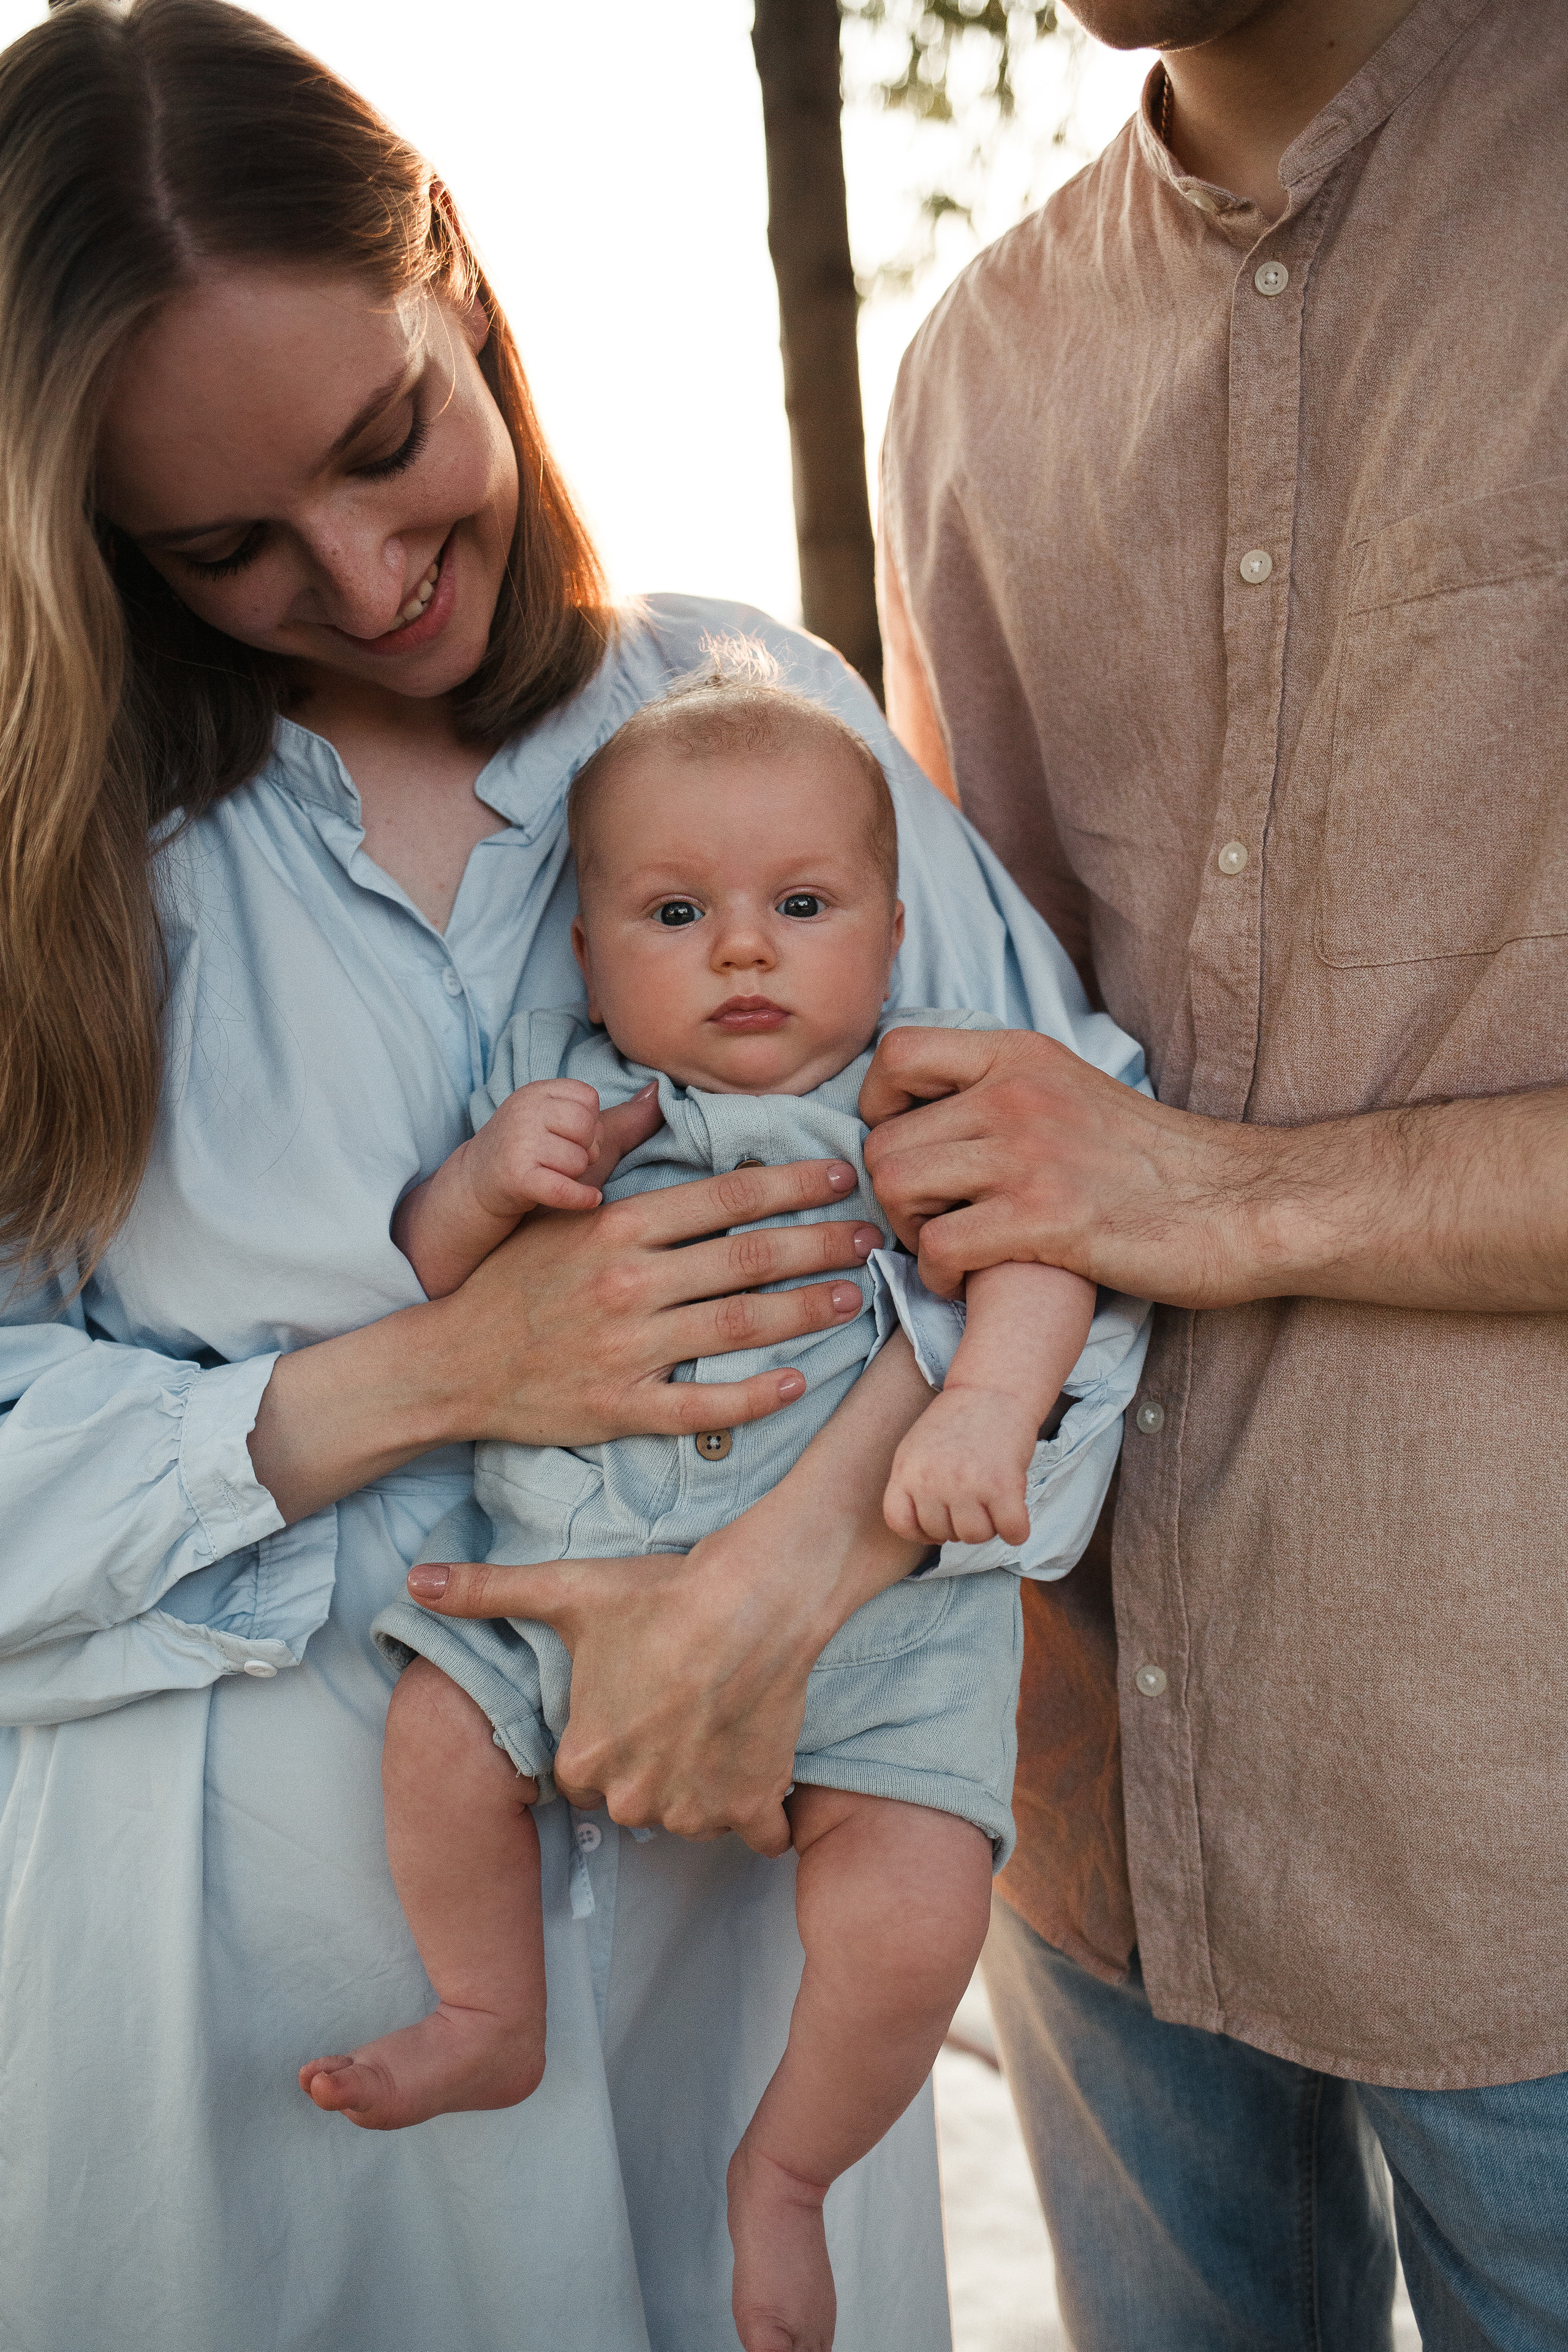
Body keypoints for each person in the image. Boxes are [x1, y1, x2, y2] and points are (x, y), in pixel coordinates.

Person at [0, 6, 1144, 2346]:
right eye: (226, 543)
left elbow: (1069, 1206)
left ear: (460, 290)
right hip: (231, 2071)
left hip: (727, 2007)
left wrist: (779, 1588)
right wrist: (430, 1374)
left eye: (391, 438)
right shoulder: (54, 873)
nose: (363, 568)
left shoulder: (742, 715)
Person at [872, 0, 1568, 2344]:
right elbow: (963, 1095)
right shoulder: (970, 370)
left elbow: (1127, 1166)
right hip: (1089, 1795)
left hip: (1524, 1835)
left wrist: (1229, 1192)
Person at [297, 664, 1147, 2352]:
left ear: (893, 933)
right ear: (594, 952)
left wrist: (983, 1405)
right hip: (561, 1590)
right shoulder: (571, 1107)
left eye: (802, 904)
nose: (745, 948)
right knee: (429, 1740)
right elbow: (430, 1283)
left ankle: (787, 2172)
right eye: (678, 911)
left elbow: (1048, 1251)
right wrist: (479, 1186)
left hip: (889, 1638)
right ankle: (490, 2006)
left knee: (917, 1912)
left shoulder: (913, 1101)